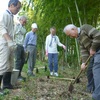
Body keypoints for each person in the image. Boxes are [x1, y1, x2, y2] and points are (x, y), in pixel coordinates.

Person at [63, 24, 100, 100]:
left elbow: (98, 35)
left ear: (73, 29)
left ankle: (97, 95)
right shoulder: (79, 38)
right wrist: (83, 63)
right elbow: (83, 51)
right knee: (89, 71)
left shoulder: (85, 28)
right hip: (94, 53)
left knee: (96, 70)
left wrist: (93, 48)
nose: (71, 37)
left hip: (98, 50)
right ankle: (90, 88)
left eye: (70, 35)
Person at [0, 0, 21, 93]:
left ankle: (6, 84)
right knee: (3, 65)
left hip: (10, 44)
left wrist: (12, 42)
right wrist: (9, 41)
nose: (18, 10)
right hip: (5, 43)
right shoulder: (4, 14)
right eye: (17, 8)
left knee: (10, 64)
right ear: (12, 5)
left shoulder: (11, 16)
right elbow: (2, 28)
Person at [14, 16, 27, 81]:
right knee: (18, 61)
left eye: (25, 22)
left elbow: (23, 32)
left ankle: (19, 74)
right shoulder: (15, 26)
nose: (24, 23)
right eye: (24, 21)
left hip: (22, 45)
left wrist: (20, 25)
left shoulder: (23, 27)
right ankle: (16, 76)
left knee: (23, 60)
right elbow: (13, 33)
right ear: (20, 20)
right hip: (17, 44)